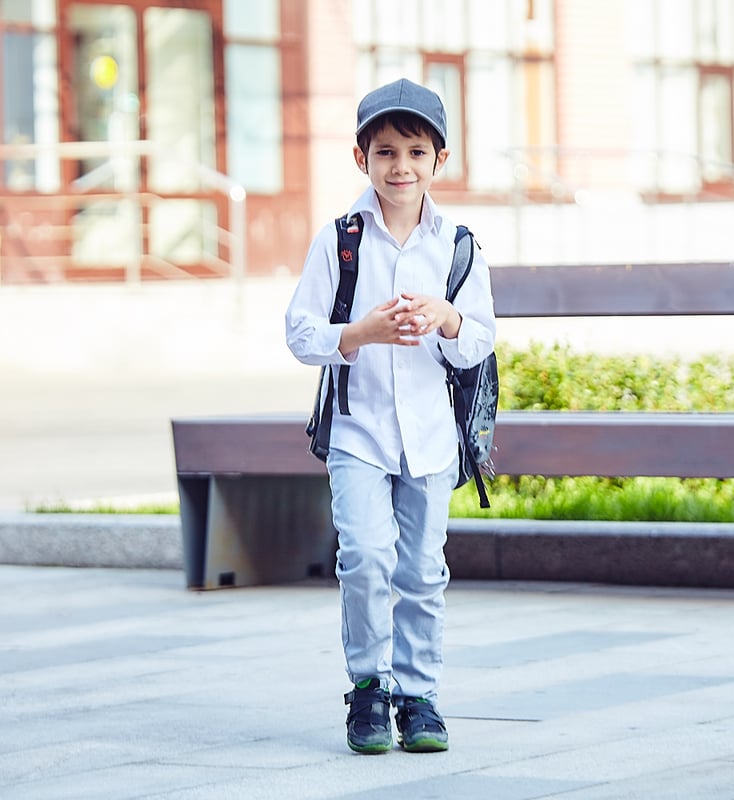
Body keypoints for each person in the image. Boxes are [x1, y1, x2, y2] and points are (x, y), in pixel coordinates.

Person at [284, 78, 496, 755]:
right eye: (384, 152)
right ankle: (369, 691)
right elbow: (300, 331)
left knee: (422, 570)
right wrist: (360, 332)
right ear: (360, 159)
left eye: (413, 151)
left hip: (431, 438)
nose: (399, 166)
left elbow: (481, 339)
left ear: (439, 158)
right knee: (367, 559)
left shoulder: (458, 246)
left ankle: (420, 696)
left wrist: (449, 315)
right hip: (360, 434)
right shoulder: (340, 241)